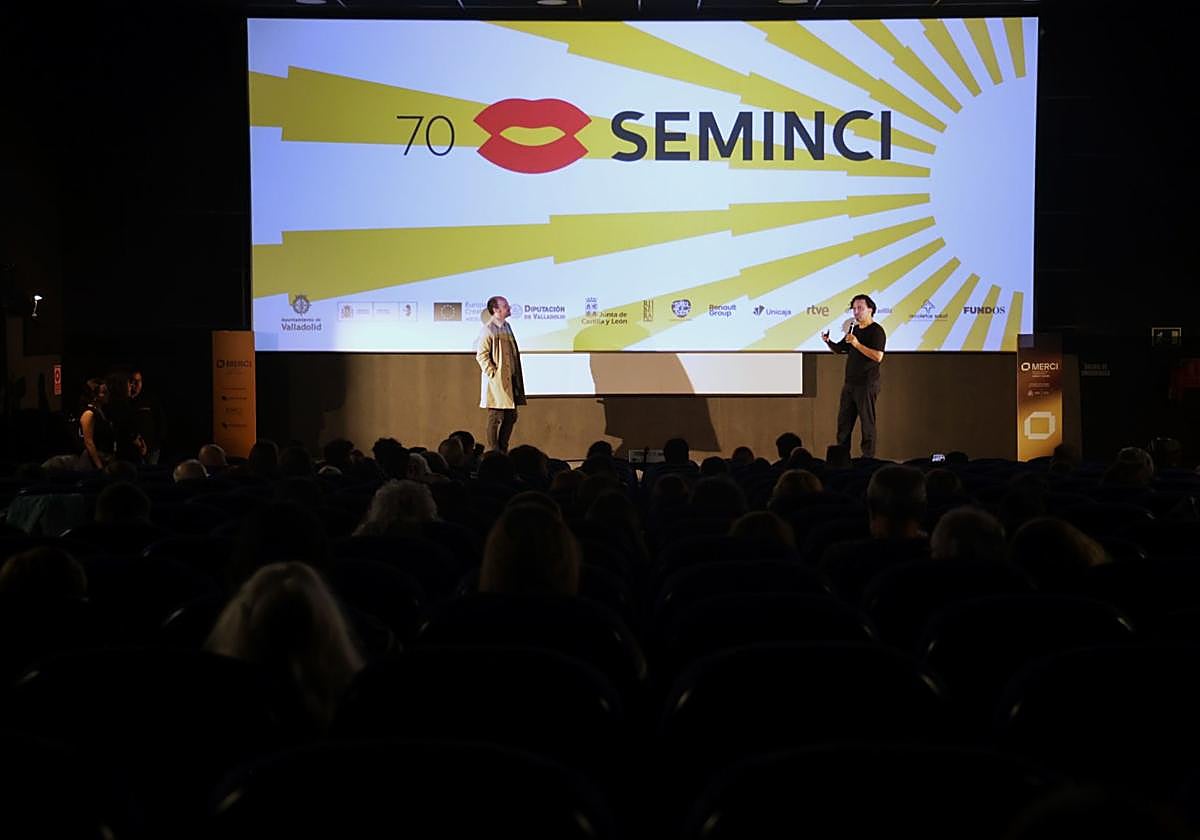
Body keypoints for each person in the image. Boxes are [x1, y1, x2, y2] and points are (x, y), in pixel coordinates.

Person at [822, 294, 887, 459]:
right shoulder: (854, 329)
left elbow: (878, 356)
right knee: (844, 424)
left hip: (866, 384)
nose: (856, 312)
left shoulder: (877, 331)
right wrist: (828, 341)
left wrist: (857, 344)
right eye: (854, 309)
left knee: (867, 424)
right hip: (850, 384)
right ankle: (841, 459)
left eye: (860, 308)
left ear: (870, 310)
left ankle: (868, 459)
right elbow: (841, 349)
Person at [475, 295, 526, 453]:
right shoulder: (489, 329)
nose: (509, 307)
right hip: (497, 381)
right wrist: (493, 373)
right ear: (496, 310)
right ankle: (494, 451)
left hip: (510, 379)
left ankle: (503, 448)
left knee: (511, 416)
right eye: (505, 306)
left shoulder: (507, 327)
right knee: (495, 417)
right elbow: (481, 355)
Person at [129, 369, 165, 464]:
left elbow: (160, 421)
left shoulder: (150, 399)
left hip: (151, 449)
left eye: (138, 381)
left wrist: (156, 444)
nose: (135, 384)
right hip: (131, 450)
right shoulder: (124, 402)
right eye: (132, 381)